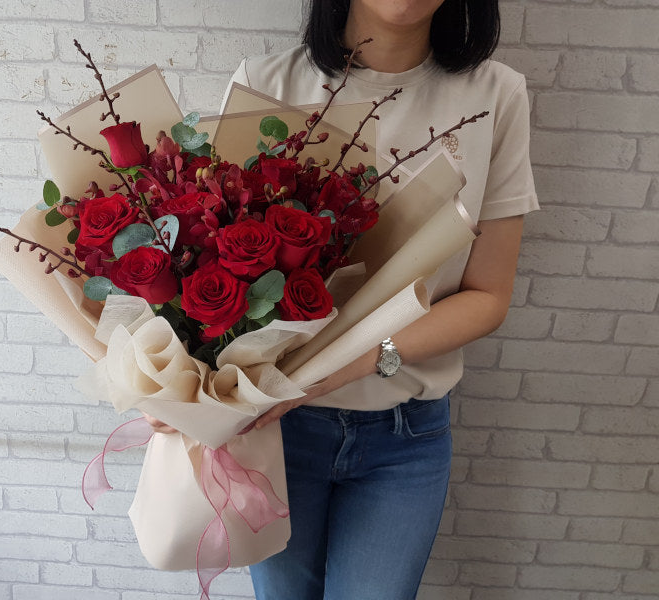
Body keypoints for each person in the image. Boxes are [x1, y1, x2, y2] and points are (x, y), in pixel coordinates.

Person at [146, 1, 538, 598]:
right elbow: (208, 256)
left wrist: (362, 361)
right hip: (277, 432)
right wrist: (177, 389)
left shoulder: (496, 95)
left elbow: (487, 296)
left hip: (404, 437)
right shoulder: (268, 84)